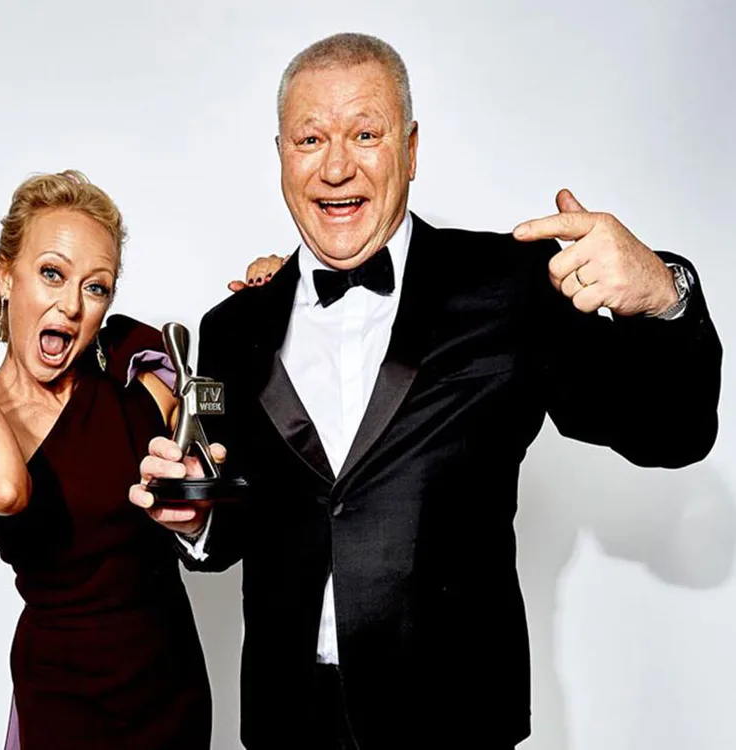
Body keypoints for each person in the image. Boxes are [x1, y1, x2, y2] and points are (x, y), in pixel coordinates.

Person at [132, 33, 723, 749]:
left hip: (454, 717)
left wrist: (665, 294)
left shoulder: (512, 287)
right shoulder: (230, 327)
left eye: (366, 133)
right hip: (289, 720)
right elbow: (250, 518)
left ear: (410, 151)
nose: (336, 165)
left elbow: (673, 432)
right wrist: (196, 516)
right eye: (310, 138)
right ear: (283, 155)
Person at [0, 170, 220, 749]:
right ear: (5, 275)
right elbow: (5, 487)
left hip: (171, 694)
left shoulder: (133, 370)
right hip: (65, 706)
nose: (70, 305)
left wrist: (272, 284)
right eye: (52, 274)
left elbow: (225, 399)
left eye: (96, 287)